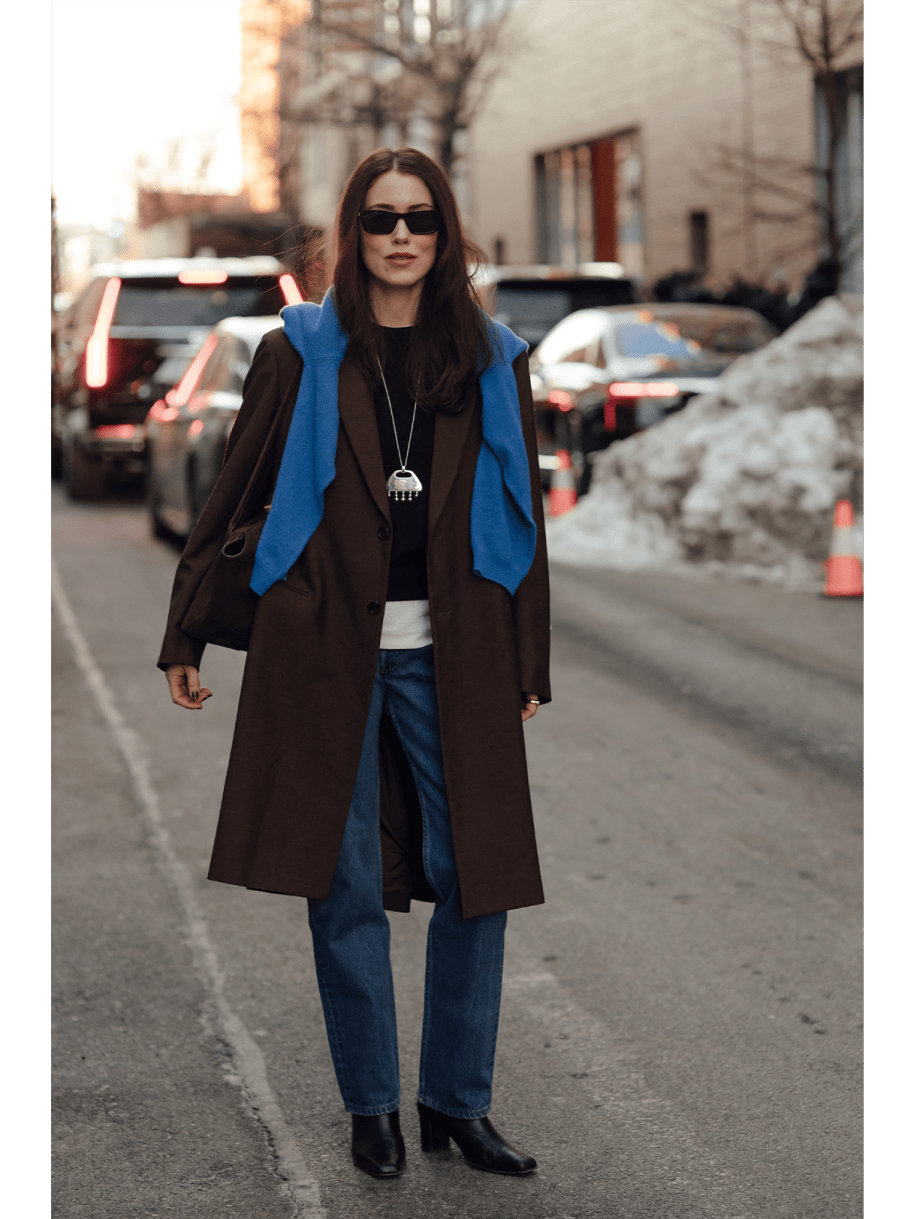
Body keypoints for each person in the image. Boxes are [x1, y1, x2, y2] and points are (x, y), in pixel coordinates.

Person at [158, 147, 551, 1180]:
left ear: (445, 229)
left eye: (418, 218)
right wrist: (186, 629)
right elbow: (234, 493)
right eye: (380, 220)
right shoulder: (299, 353)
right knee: (337, 887)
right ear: (354, 230)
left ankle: (454, 1105)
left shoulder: (490, 357)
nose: (400, 237)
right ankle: (370, 1106)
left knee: (479, 877)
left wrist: (527, 657)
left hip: (452, 651)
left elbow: (523, 519)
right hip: (319, 652)